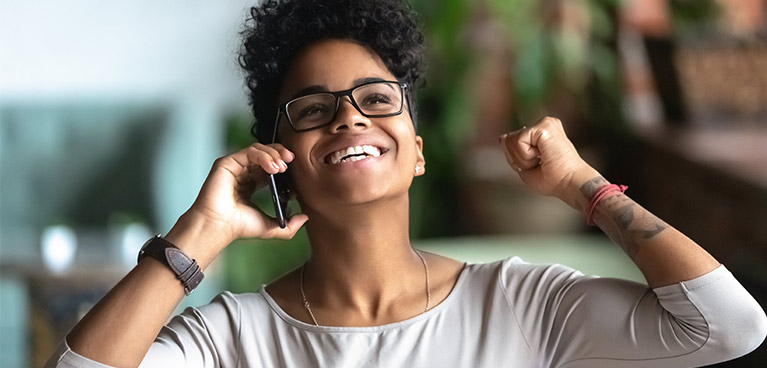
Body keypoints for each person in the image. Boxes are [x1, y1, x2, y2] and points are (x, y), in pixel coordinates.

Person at [47, 0, 766, 367]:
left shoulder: (519, 302)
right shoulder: (233, 337)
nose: (349, 118)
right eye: (314, 109)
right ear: (279, 158)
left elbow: (728, 326)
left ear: (416, 152)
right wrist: (201, 232)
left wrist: (581, 183)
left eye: (375, 98)